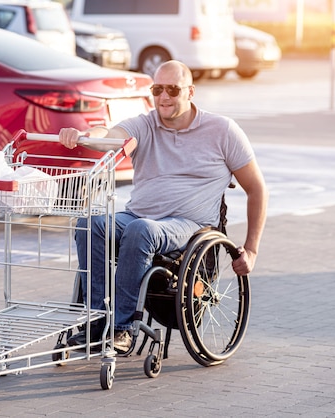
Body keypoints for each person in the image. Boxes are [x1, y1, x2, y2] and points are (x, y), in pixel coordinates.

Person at [58, 60, 268, 354]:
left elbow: (257, 189)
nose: (164, 97)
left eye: (172, 89)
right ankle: (96, 322)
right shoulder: (144, 124)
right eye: (157, 89)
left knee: (141, 230)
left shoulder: (222, 131)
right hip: (138, 216)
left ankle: (121, 328)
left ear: (190, 92)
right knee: (90, 223)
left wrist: (252, 248)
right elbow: (109, 136)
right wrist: (82, 135)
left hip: (189, 225)